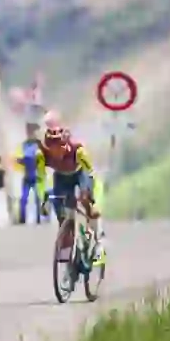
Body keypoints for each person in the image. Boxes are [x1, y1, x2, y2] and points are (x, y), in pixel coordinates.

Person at [37, 110, 106, 264]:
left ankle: (99, 242)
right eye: (51, 148)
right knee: (62, 211)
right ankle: (67, 242)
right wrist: (44, 199)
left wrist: (91, 199)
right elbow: (41, 178)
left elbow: (92, 174)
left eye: (59, 147)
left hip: (81, 173)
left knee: (87, 201)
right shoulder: (41, 154)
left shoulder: (78, 150)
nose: (56, 152)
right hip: (61, 177)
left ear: (65, 144)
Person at [13, 120, 48, 224]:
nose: (31, 132)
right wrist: (22, 161)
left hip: (38, 176)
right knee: (23, 199)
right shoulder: (24, 145)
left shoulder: (41, 145)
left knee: (39, 198)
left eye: (33, 130)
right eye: (29, 130)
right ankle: (22, 219)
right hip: (27, 175)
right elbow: (18, 158)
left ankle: (40, 219)